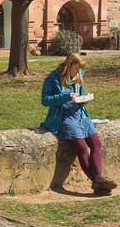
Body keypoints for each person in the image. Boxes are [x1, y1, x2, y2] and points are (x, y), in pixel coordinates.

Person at [41, 52, 116, 195]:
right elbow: (45, 100)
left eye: (79, 70)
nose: (77, 73)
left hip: (81, 114)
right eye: (75, 69)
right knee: (81, 147)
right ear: (68, 66)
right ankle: (98, 181)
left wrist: (84, 99)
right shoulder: (53, 78)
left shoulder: (79, 75)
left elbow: (80, 94)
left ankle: (99, 179)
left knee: (96, 143)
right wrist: (64, 97)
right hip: (64, 117)